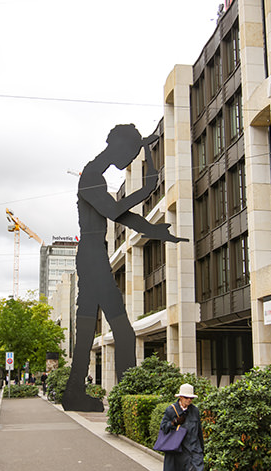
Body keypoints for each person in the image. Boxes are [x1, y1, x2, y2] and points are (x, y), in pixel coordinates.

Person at [62, 124, 187, 412]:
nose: (129, 161)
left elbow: (125, 218)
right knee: (124, 333)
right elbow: (115, 212)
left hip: (92, 254)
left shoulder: (95, 173)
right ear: (117, 146)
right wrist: (146, 186)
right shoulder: (91, 175)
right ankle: (125, 402)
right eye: (129, 154)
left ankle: (73, 393)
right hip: (92, 256)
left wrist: (156, 231)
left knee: (84, 329)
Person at [160, 383, 208, 471]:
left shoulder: (195, 410)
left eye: (191, 398)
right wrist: (174, 422)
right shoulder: (171, 410)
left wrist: (201, 448)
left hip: (194, 448)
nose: (189, 400)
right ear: (180, 397)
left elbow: (199, 431)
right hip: (179, 449)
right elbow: (163, 427)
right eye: (186, 398)